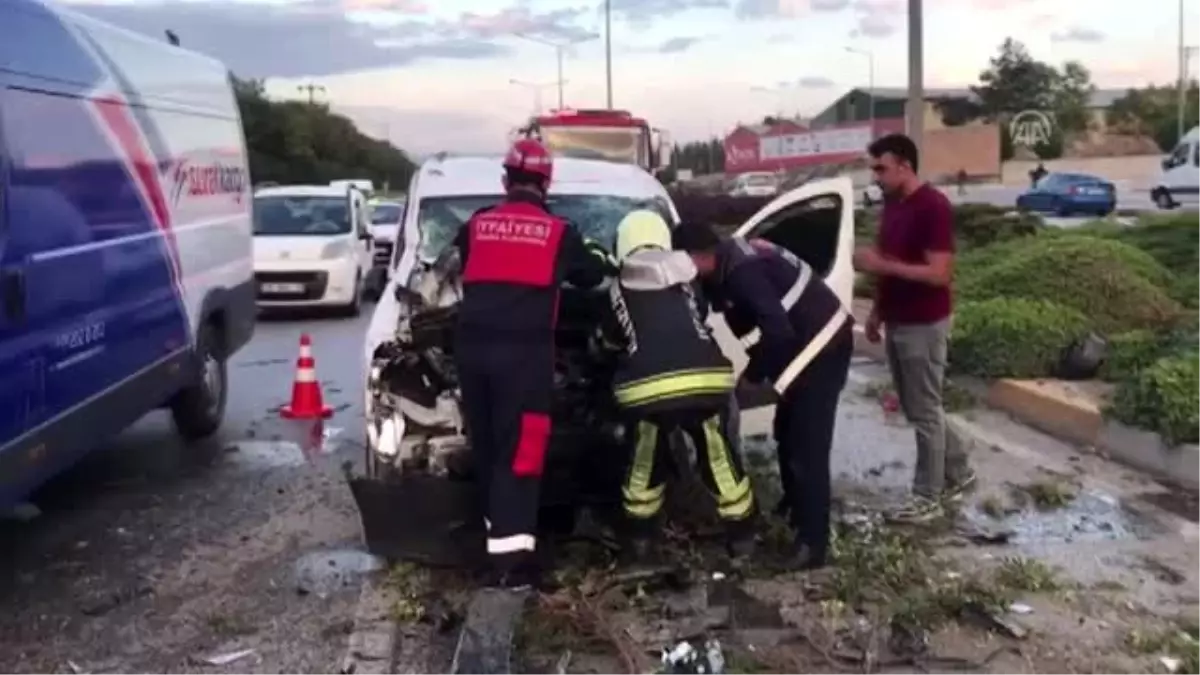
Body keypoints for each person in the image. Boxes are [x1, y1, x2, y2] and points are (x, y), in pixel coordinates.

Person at [452, 138, 614, 589]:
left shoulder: (478, 224)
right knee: (520, 452)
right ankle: (512, 562)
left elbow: (471, 269)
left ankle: (494, 535)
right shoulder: (558, 231)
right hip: (522, 355)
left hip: (470, 349)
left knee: (487, 445)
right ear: (547, 182)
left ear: (505, 180)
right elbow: (592, 276)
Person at [672, 225, 853, 571]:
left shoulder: (743, 272)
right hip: (806, 349)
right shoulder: (728, 262)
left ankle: (812, 545)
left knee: (807, 448)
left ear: (698, 256)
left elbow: (778, 331)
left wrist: (752, 377)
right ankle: (793, 509)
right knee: (785, 432)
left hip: (822, 349)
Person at [598, 210, 756, 563]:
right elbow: (695, 320)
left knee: (644, 457)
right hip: (706, 379)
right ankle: (743, 538)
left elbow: (609, 340)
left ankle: (640, 542)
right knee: (716, 453)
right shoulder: (686, 277)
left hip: (648, 390)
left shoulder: (618, 285)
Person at [853, 133, 973, 522]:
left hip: (925, 322)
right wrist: (876, 312)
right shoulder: (893, 205)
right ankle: (959, 469)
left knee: (924, 411)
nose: (876, 176)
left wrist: (880, 266)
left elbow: (939, 274)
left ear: (905, 164)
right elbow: (888, 261)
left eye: (881, 168)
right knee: (917, 406)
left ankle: (927, 497)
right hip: (899, 319)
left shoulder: (932, 206)